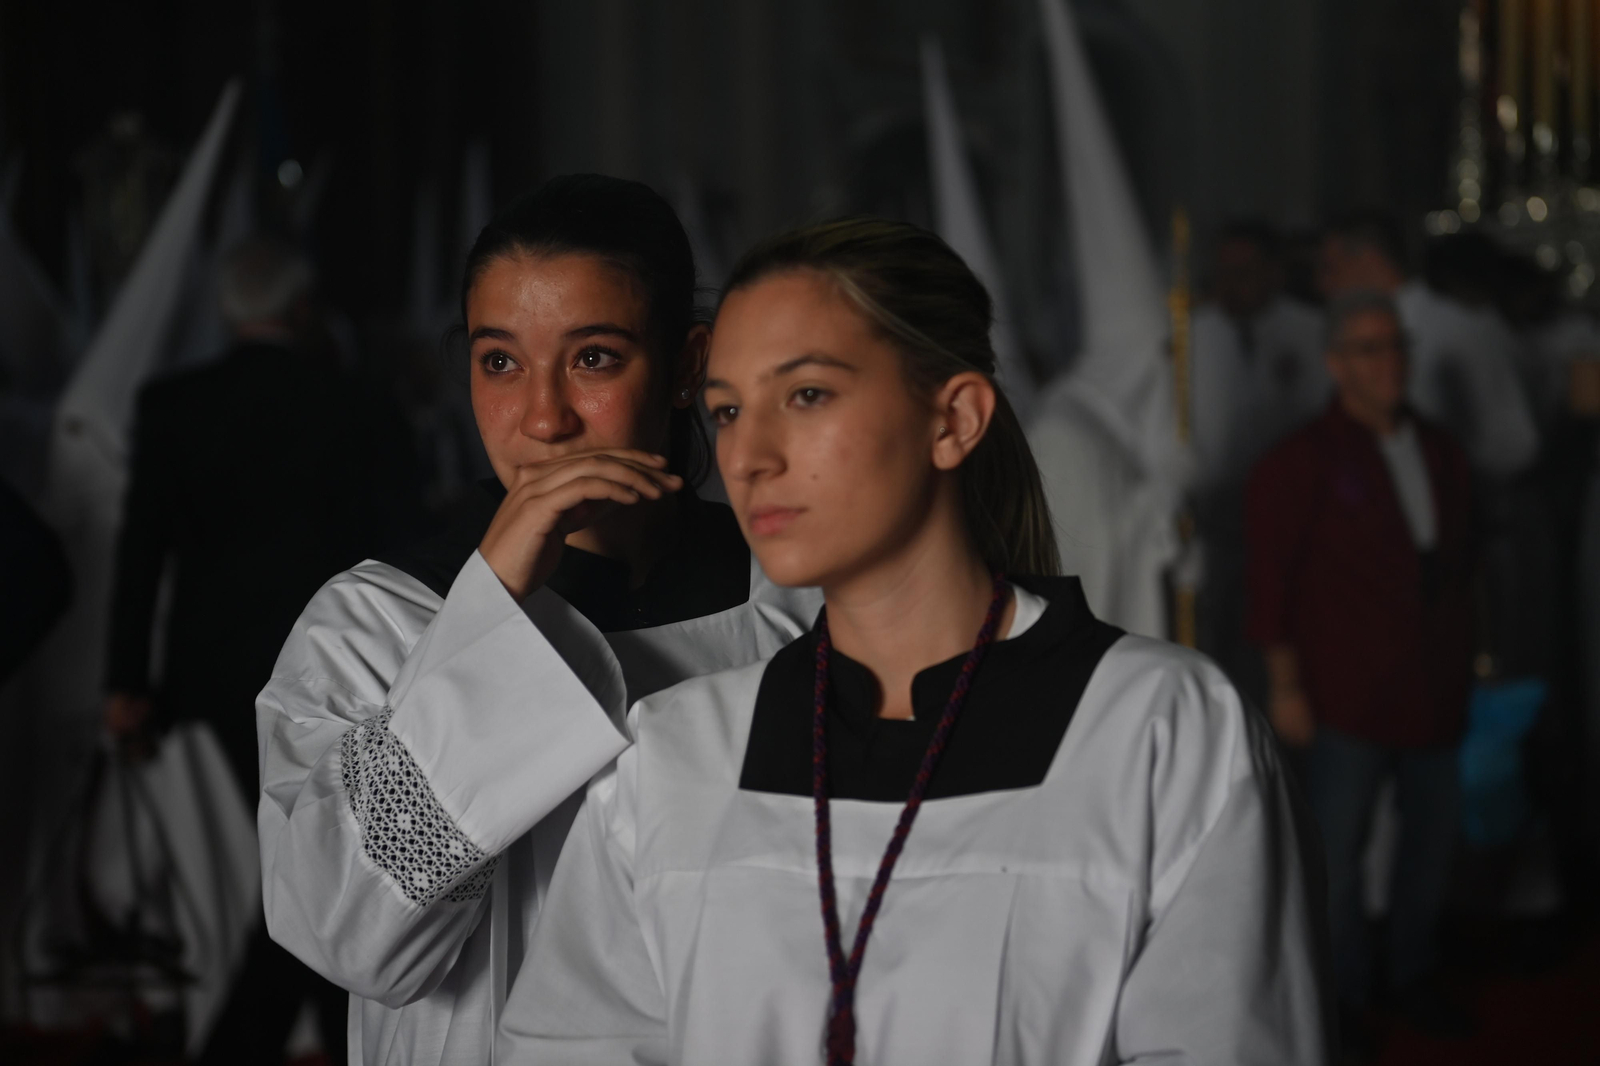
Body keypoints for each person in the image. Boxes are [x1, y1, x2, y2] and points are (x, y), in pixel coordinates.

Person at [499, 218, 1331, 1065]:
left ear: (954, 419)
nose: (749, 455)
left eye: (808, 395)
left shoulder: (1163, 730)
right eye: (727, 410)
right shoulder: (674, 752)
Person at [257, 175, 820, 1066]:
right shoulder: (375, 621)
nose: (543, 418)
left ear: (684, 366)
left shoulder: (797, 599)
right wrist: (493, 603)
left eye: (593, 357)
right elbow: (350, 937)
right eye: (500, 362)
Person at [103, 235, 404, 1064]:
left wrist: (126, 679)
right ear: (302, 310)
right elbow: (394, 544)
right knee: (315, 874)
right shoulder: (353, 401)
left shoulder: (174, 404)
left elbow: (143, 551)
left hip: (214, 671)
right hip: (339, 671)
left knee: (309, 872)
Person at [1247, 290, 1475, 1054]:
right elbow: (1271, 578)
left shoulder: (1438, 447)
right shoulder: (1302, 461)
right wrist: (1285, 683)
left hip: (1435, 687)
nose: (1391, 363)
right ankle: (1340, 998)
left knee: (1430, 843)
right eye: (1371, 349)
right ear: (1337, 364)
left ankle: (1410, 972)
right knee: (1336, 859)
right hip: (1348, 691)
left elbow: (1456, 564)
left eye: (1396, 346)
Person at [1191, 219, 1328, 705]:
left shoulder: (1310, 330)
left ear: (1273, 273)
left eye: (1246, 271)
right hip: (1214, 516)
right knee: (1217, 633)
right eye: (1224, 272)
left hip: (1293, 518)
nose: (1234, 284)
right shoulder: (1192, 335)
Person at [1316, 211, 1538, 479]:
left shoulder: (1458, 326)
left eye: (1332, 269)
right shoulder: (1355, 328)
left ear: (1370, 261)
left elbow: (1507, 437)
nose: (1324, 285)